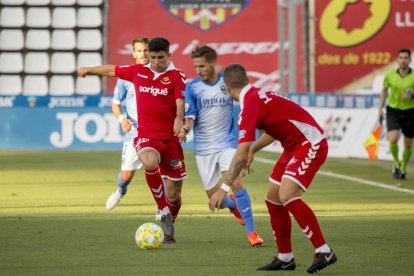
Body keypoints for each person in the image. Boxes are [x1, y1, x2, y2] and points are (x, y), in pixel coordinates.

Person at [209, 64, 337, 273]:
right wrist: (253, 150)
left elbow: (239, 154)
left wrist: (224, 188)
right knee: (273, 198)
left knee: (287, 194)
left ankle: (323, 250)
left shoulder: (249, 106)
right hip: (293, 147)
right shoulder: (258, 95)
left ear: (226, 86)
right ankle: (285, 257)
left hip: (310, 144)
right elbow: (273, 129)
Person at [78, 37, 186, 243]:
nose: (155, 62)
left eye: (160, 58)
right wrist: (88, 70)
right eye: (152, 57)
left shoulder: (176, 75)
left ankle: (169, 231)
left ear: (168, 55)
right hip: (145, 135)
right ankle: (161, 209)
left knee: (175, 194)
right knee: (148, 161)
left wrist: (179, 120)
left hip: (170, 140)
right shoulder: (138, 71)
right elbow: (112, 70)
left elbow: (180, 101)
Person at [180, 45, 263, 247]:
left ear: (213, 62)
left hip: (227, 142)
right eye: (195, 66)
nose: (198, 70)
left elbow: (247, 99)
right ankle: (235, 206)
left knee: (236, 182)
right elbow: (190, 116)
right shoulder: (192, 87)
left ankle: (252, 232)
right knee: (214, 198)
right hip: (203, 148)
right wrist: (185, 128)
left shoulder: (227, 82)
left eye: (202, 66)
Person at [106, 37, 149, 210]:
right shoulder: (126, 76)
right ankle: (121, 191)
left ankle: (164, 208)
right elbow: (115, 104)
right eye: (139, 50)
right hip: (135, 132)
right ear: (134, 53)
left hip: (157, 131)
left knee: (164, 173)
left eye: (146, 50)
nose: (143, 54)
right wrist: (122, 119)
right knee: (126, 175)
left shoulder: (160, 73)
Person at [378, 48, 414, 180]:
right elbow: (384, 90)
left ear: (409, 60)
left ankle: (403, 167)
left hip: (410, 111)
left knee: (408, 144)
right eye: (401, 58)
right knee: (393, 138)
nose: (403, 60)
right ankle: (396, 162)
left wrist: (411, 96)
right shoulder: (390, 74)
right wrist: (380, 108)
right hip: (393, 110)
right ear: (397, 60)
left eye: (406, 58)